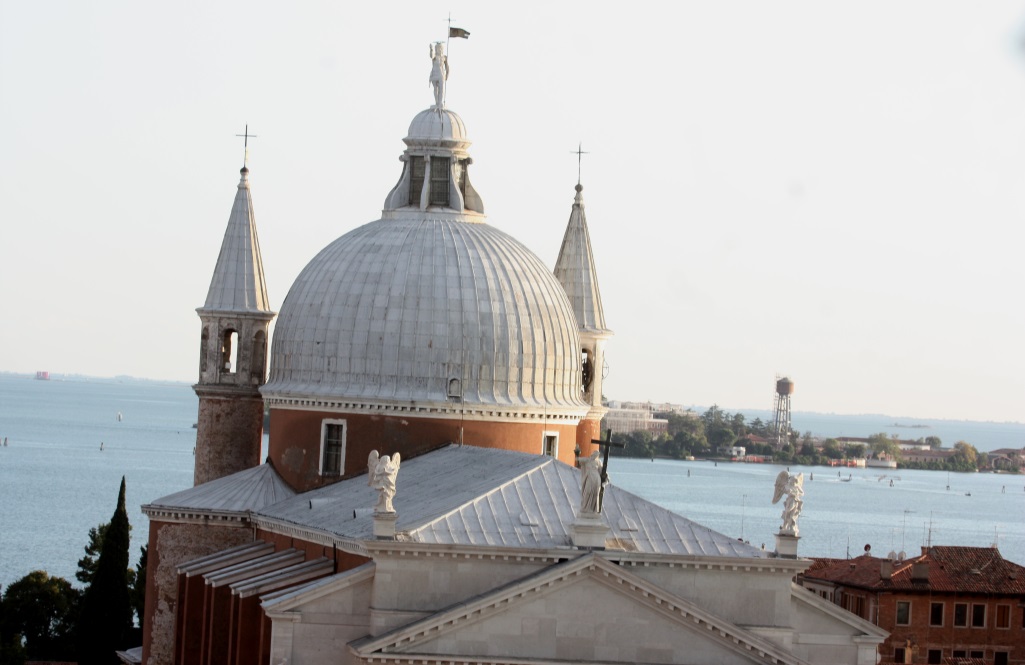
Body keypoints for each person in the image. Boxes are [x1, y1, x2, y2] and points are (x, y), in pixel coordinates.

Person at [429, 42, 448, 109]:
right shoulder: (435, 57)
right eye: (437, 48)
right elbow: (431, 56)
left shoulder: (444, 57)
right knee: (435, 89)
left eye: (440, 48)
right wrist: (431, 49)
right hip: (434, 74)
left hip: (441, 74)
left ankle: (440, 103)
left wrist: (447, 75)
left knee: (441, 89)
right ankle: (437, 103)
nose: (439, 50)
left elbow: (447, 67)